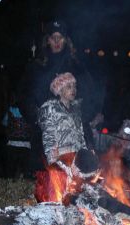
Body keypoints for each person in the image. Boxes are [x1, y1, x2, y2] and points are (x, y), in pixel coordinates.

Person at [17, 19, 99, 173]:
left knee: (82, 172)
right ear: (47, 40)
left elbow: (91, 95)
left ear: (66, 40)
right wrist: (36, 116)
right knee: (47, 175)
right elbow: (23, 94)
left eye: (60, 37)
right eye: (52, 37)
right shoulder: (36, 66)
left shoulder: (76, 66)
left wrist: (83, 116)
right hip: (46, 130)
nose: (56, 41)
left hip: (73, 130)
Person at [35, 72, 99, 202]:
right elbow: (49, 134)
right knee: (60, 193)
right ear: (59, 89)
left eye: (74, 86)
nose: (73, 89)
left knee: (79, 192)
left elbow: (80, 134)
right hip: (61, 156)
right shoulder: (50, 108)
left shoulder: (76, 109)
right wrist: (52, 159)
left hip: (75, 156)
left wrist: (85, 154)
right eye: (69, 86)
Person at [2, 92, 31, 178]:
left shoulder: (10, 110)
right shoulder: (28, 111)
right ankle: (22, 178)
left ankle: (12, 179)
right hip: (26, 144)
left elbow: (4, 123)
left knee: (12, 166)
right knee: (24, 166)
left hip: (12, 143)